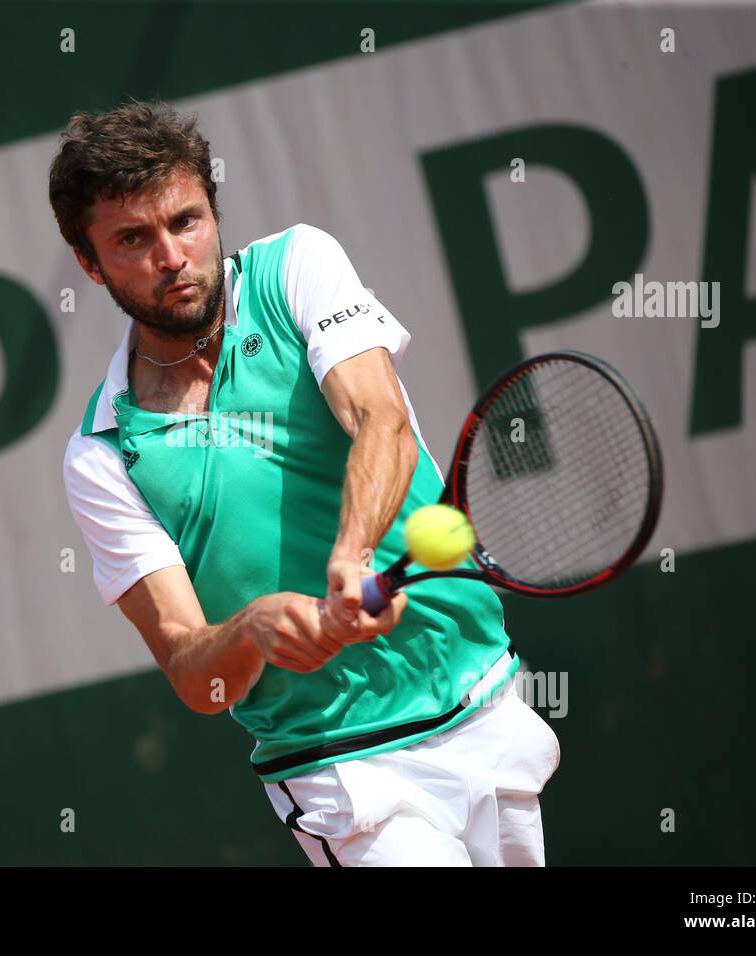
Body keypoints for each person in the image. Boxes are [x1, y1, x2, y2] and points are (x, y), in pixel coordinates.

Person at [52, 99, 560, 866]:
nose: (171, 257)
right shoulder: (102, 455)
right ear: (90, 265)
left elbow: (379, 420)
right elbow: (194, 671)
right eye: (132, 239)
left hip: (481, 696)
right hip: (342, 764)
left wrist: (350, 557)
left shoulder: (297, 267)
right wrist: (253, 627)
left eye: (186, 221)